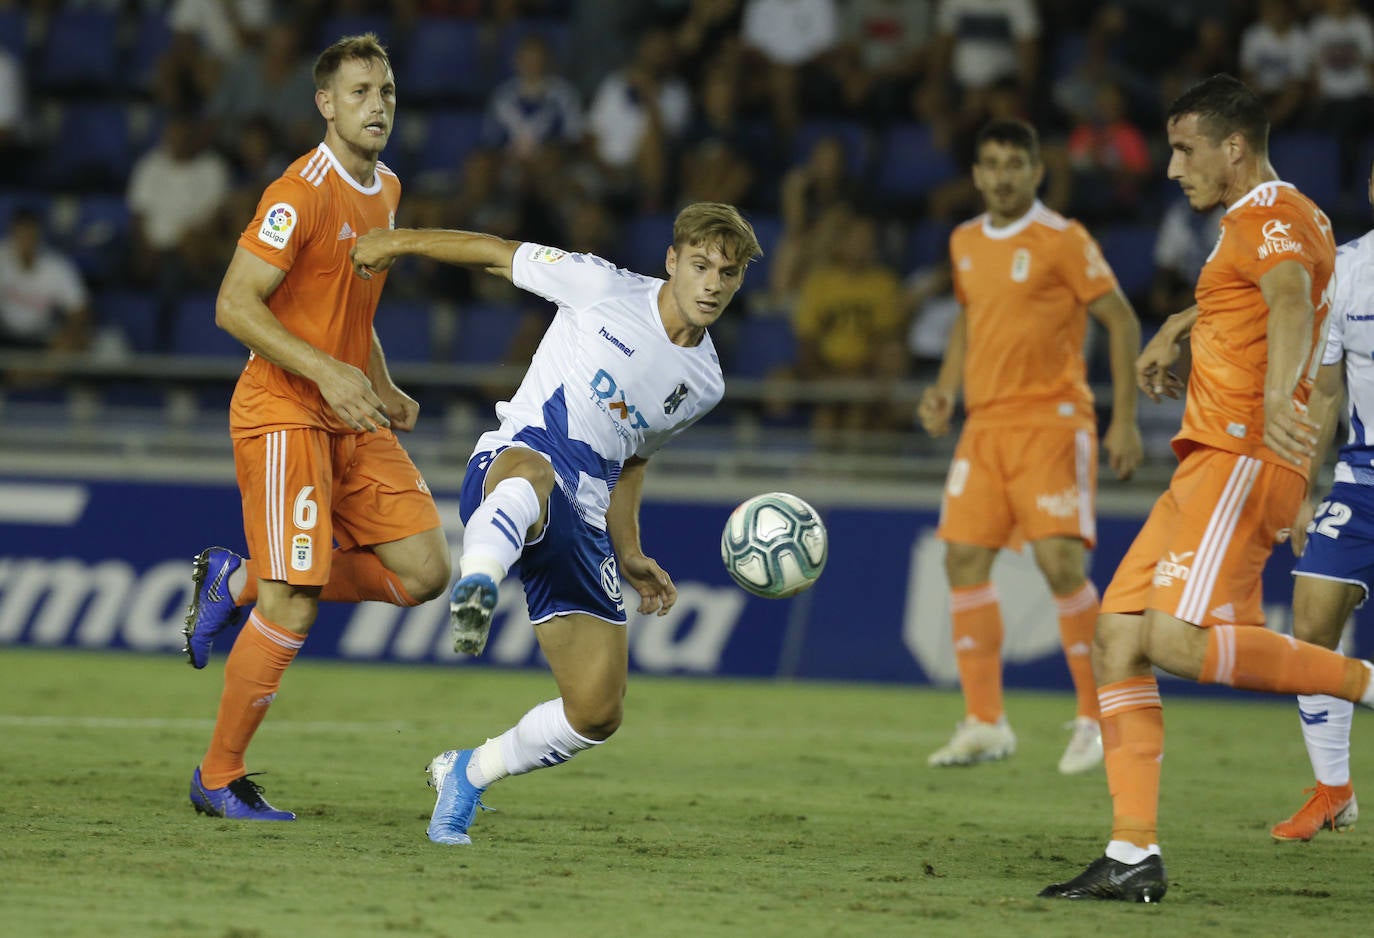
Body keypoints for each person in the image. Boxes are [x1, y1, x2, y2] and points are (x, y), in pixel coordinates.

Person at [1040, 74, 1374, 903]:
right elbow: (1259, 294)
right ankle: (1132, 854)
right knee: (1116, 638)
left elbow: (1291, 300)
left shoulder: (1269, 217)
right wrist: (1176, 327)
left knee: (1175, 644)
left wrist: (1275, 392)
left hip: (1240, 456)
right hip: (1208, 462)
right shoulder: (1271, 221)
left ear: (1234, 148)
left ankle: (1368, 684)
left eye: (1184, 148)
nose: (1170, 167)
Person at [348, 200, 762, 845]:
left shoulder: (704, 384)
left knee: (597, 712)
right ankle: (477, 582)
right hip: (512, 465)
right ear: (672, 261)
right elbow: (491, 252)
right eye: (701, 265)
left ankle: (469, 771)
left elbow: (632, 462)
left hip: (586, 523)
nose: (712, 283)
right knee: (532, 478)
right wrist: (397, 242)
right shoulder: (599, 286)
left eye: (728, 273)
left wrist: (629, 551)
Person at [180, 34, 452, 822]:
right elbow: (235, 303)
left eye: (389, 92)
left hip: (349, 409)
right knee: (293, 599)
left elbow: (345, 304)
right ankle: (218, 777)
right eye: (361, 91)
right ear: (325, 104)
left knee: (424, 571)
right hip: (285, 411)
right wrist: (329, 373)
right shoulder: (299, 192)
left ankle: (237, 578)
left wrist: (378, 379)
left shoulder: (388, 188)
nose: (378, 106)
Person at [917, 118, 1144, 776]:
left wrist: (1122, 422)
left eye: (1015, 163)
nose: (1003, 175)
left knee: (1059, 563)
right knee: (962, 560)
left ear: (1037, 171)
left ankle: (1096, 719)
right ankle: (985, 722)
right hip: (985, 425)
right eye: (991, 163)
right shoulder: (963, 241)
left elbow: (1123, 319)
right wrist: (944, 389)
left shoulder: (1063, 239)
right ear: (977, 174)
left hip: (1053, 419)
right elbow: (970, 316)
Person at [1269, 161, 1374, 843]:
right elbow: (1328, 393)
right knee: (1310, 620)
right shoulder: (1347, 270)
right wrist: (1306, 490)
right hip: (1363, 480)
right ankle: (1333, 791)